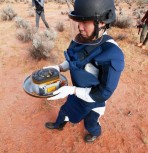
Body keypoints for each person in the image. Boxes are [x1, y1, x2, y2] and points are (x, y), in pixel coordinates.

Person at [44, 0, 124, 143]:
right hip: (76, 92)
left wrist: (72, 90)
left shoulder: (112, 53)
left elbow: (102, 93)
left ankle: (95, 133)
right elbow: (73, 60)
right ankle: (59, 124)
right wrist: (59, 68)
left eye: (85, 21)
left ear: (101, 23)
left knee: (90, 123)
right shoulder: (81, 39)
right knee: (64, 110)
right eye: (77, 21)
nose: (80, 27)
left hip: (93, 101)